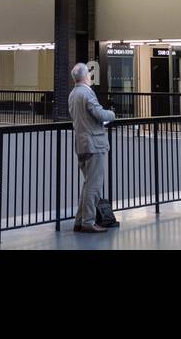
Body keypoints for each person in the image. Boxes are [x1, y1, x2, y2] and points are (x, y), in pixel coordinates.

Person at [68, 62, 116, 233]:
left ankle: (80, 220)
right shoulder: (87, 94)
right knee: (94, 185)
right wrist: (112, 114)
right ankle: (88, 221)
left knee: (88, 184)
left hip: (81, 144)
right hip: (94, 144)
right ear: (86, 76)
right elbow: (100, 114)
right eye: (88, 72)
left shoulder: (73, 94)